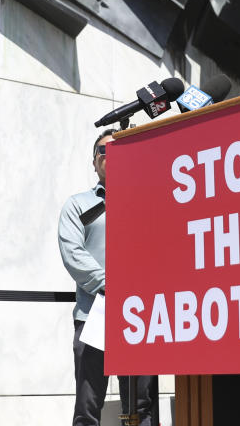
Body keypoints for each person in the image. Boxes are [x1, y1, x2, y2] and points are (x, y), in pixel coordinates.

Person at [58, 130, 158, 426]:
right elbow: (74, 254)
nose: (110, 156)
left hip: (140, 314)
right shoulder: (78, 205)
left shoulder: (146, 203)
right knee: (88, 409)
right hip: (95, 313)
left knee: (143, 407)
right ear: (94, 161)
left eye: (118, 150)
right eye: (104, 151)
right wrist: (115, 284)